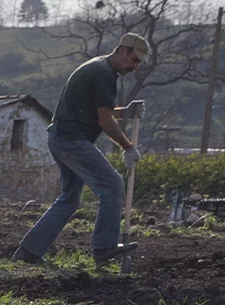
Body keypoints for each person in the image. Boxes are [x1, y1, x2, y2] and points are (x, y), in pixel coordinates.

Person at [12, 33, 148, 269]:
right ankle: (104, 248)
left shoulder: (99, 68)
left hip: (62, 138)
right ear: (123, 51)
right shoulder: (103, 73)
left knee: (69, 198)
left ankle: (28, 251)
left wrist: (125, 112)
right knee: (112, 185)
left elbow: (98, 110)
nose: (135, 67)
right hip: (71, 141)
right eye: (134, 60)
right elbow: (104, 121)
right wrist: (128, 147)